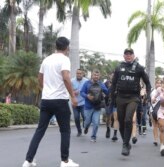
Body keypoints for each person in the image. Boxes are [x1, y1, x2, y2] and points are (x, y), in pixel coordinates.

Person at [22, 37, 79, 167]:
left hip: (46, 100)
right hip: (60, 101)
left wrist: (46, 90)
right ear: (67, 48)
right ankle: (65, 161)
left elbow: (39, 78)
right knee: (65, 131)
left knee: (40, 130)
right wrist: (73, 97)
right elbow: (66, 77)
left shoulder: (46, 59)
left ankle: (28, 160)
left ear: (56, 46)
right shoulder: (64, 59)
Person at [110, 48, 151, 156]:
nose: (128, 56)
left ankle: (124, 145)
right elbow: (113, 84)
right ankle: (126, 143)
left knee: (128, 119)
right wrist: (112, 98)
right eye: (126, 54)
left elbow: (148, 83)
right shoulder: (119, 67)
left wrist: (148, 95)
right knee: (121, 122)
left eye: (130, 54)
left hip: (133, 97)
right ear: (124, 56)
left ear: (133, 56)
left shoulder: (139, 68)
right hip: (120, 97)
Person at [80, 69, 109, 142]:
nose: (96, 76)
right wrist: (87, 96)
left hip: (97, 107)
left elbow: (107, 92)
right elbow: (81, 92)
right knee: (87, 122)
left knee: (96, 123)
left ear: (99, 76)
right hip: (88, 107)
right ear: (92, 75)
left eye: (97, 75)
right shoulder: (87, 83)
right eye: (94, 75)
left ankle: (93, 137)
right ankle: (86, 127)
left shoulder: (101, 84)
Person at [71, 69, 88, 137]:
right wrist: (73, 92)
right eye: (77, 73)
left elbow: (88, 90)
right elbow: (69, 89)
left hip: (83, 102)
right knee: (76, 117)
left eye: (80, 73)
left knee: (84, 116)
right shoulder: (72, 81)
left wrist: (81, 91)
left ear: (83, 74)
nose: (78, 75)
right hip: (75, 102)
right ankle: (79, 131)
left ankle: (85, 125)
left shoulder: (86, 81)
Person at [149, 79, 162, 146]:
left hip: (161, 111)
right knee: (155, 125)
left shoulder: (163, 91)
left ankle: (162, 138)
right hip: (153, 110)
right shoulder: (153, 91)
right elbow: (151, 101)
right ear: (155, 84)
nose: (158, 84)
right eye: (157, 83)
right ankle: (155, 139)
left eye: (160, 83)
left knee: (161, 125)